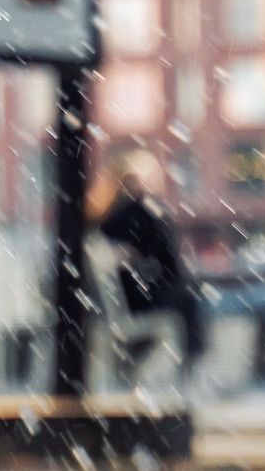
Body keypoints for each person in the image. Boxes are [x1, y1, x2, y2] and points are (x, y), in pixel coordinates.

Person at [87, 151, 207, 371]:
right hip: (141, 301)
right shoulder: (143, 212)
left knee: (187, 294)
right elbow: (170, 260)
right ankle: (189, 367)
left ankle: (138, 361)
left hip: (125, 302)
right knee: (189, 295)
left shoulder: (106, 217)